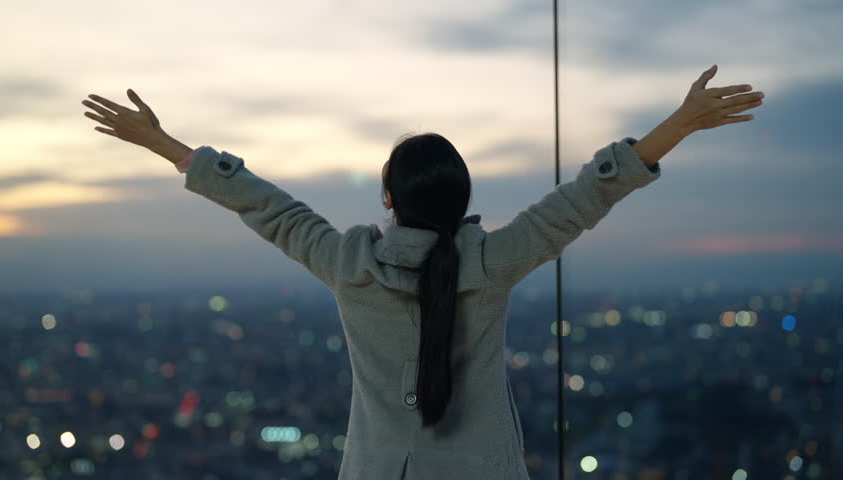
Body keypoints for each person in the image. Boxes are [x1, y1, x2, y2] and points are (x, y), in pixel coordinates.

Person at [82, 64, 763, 479]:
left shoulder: (348, 264)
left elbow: (266, 206)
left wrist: (165, 144)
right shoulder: (491, 262)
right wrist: (679, 123)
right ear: (463, 200)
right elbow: (586, 196)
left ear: (388, 198)